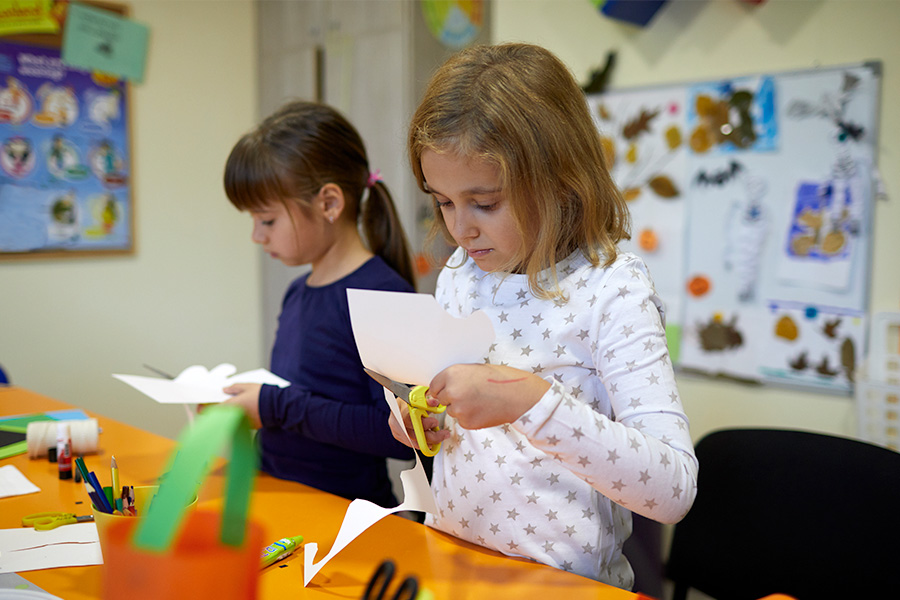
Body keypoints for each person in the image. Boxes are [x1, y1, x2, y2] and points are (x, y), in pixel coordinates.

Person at [392, 43, 698, 589]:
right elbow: (465, 435)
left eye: (484, 203)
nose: (461, 229)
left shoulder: (612, 290)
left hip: (565, 585)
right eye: (442, 202)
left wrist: (530, 402)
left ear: (560, 182)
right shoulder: (461, 275)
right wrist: (426, 423)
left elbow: (673, 490)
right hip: (457, 565)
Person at [221, 100, 417, 507]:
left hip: (346, 518)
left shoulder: (381, 296)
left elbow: (398, 434)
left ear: (329, 203)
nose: (257, 236)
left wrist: (274, 406)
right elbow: (299, 403)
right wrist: (252, 405)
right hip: (283, 499)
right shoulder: (297, 291)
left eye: (267, 220)